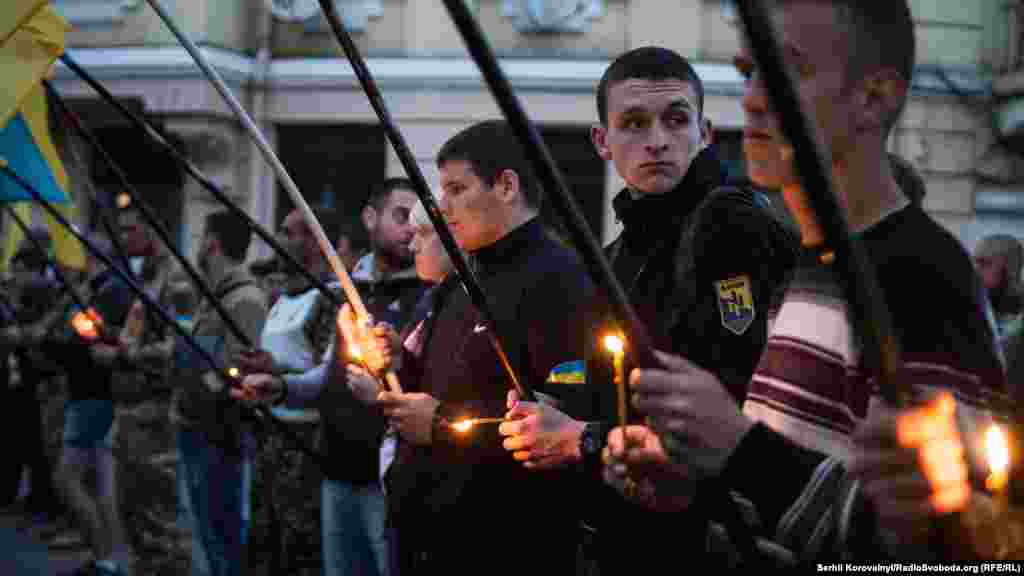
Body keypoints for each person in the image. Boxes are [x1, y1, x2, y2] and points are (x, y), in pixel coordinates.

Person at [603, 0, 1008, 564]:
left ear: (874, 97)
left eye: (786, 69)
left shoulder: (917, 277)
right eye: (749, 72)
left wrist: (738, 448)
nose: (752, 98)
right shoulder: (814, 266)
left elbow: (949, 552)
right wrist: (694, 489)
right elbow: (794, 502)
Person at [494, 46, 796, 571]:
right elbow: (614, 378)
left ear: (704, 133)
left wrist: (579, 439)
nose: (656, 140)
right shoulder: (616, 251)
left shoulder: (732, 228)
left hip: (704, 542)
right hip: (616, 534)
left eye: (675, 119)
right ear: (602, 142)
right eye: (633, 123)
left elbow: (736, 394)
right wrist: (556, 405)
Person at [342, 120, 595, 575]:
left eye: (457, 188)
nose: (444, 206)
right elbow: (440, 375)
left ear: (507, 186)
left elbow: (563, 418)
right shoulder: (463, 272)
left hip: (503, 543)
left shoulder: (561, 279)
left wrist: (439, 424)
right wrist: (400, 359)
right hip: (427, 530)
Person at [235, 179, 426, 576]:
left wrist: (381, 397)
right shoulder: (349, 294)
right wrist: (283, 386)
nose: (411, 228)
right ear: (371, 218)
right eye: (401, 215)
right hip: (336, 471)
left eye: (418, 218)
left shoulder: (427, 295)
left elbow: (429, 388)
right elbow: (328, 376)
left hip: (388, 482)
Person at [234, 207, 341, 575]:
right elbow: (282, 359)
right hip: (269, 433)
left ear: (313, 241)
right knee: (265, 539)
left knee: (300, 544)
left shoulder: (330, 297)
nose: (278, 240)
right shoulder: (282, 299)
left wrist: (276, 373)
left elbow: (329, 375)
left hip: (305, 441)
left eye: (288, 231)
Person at [29, 234, 135, 576]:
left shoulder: (111, 289)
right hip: (81, 393)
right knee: (83, 481)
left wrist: (72, 324)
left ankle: (110, 560)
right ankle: (105, 558)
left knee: (82, 482)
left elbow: (91, 335)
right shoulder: (89, 287)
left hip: (96, 394)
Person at [175, 210, 267, 576]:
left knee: (224, 535)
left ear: (212, 243)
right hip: (197, 428)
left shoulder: (243, 299)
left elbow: (240, 373)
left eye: (201, 239)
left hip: (220, 435)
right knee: (206, 534)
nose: (198, 248)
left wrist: (205, 385)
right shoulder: (216, 296)